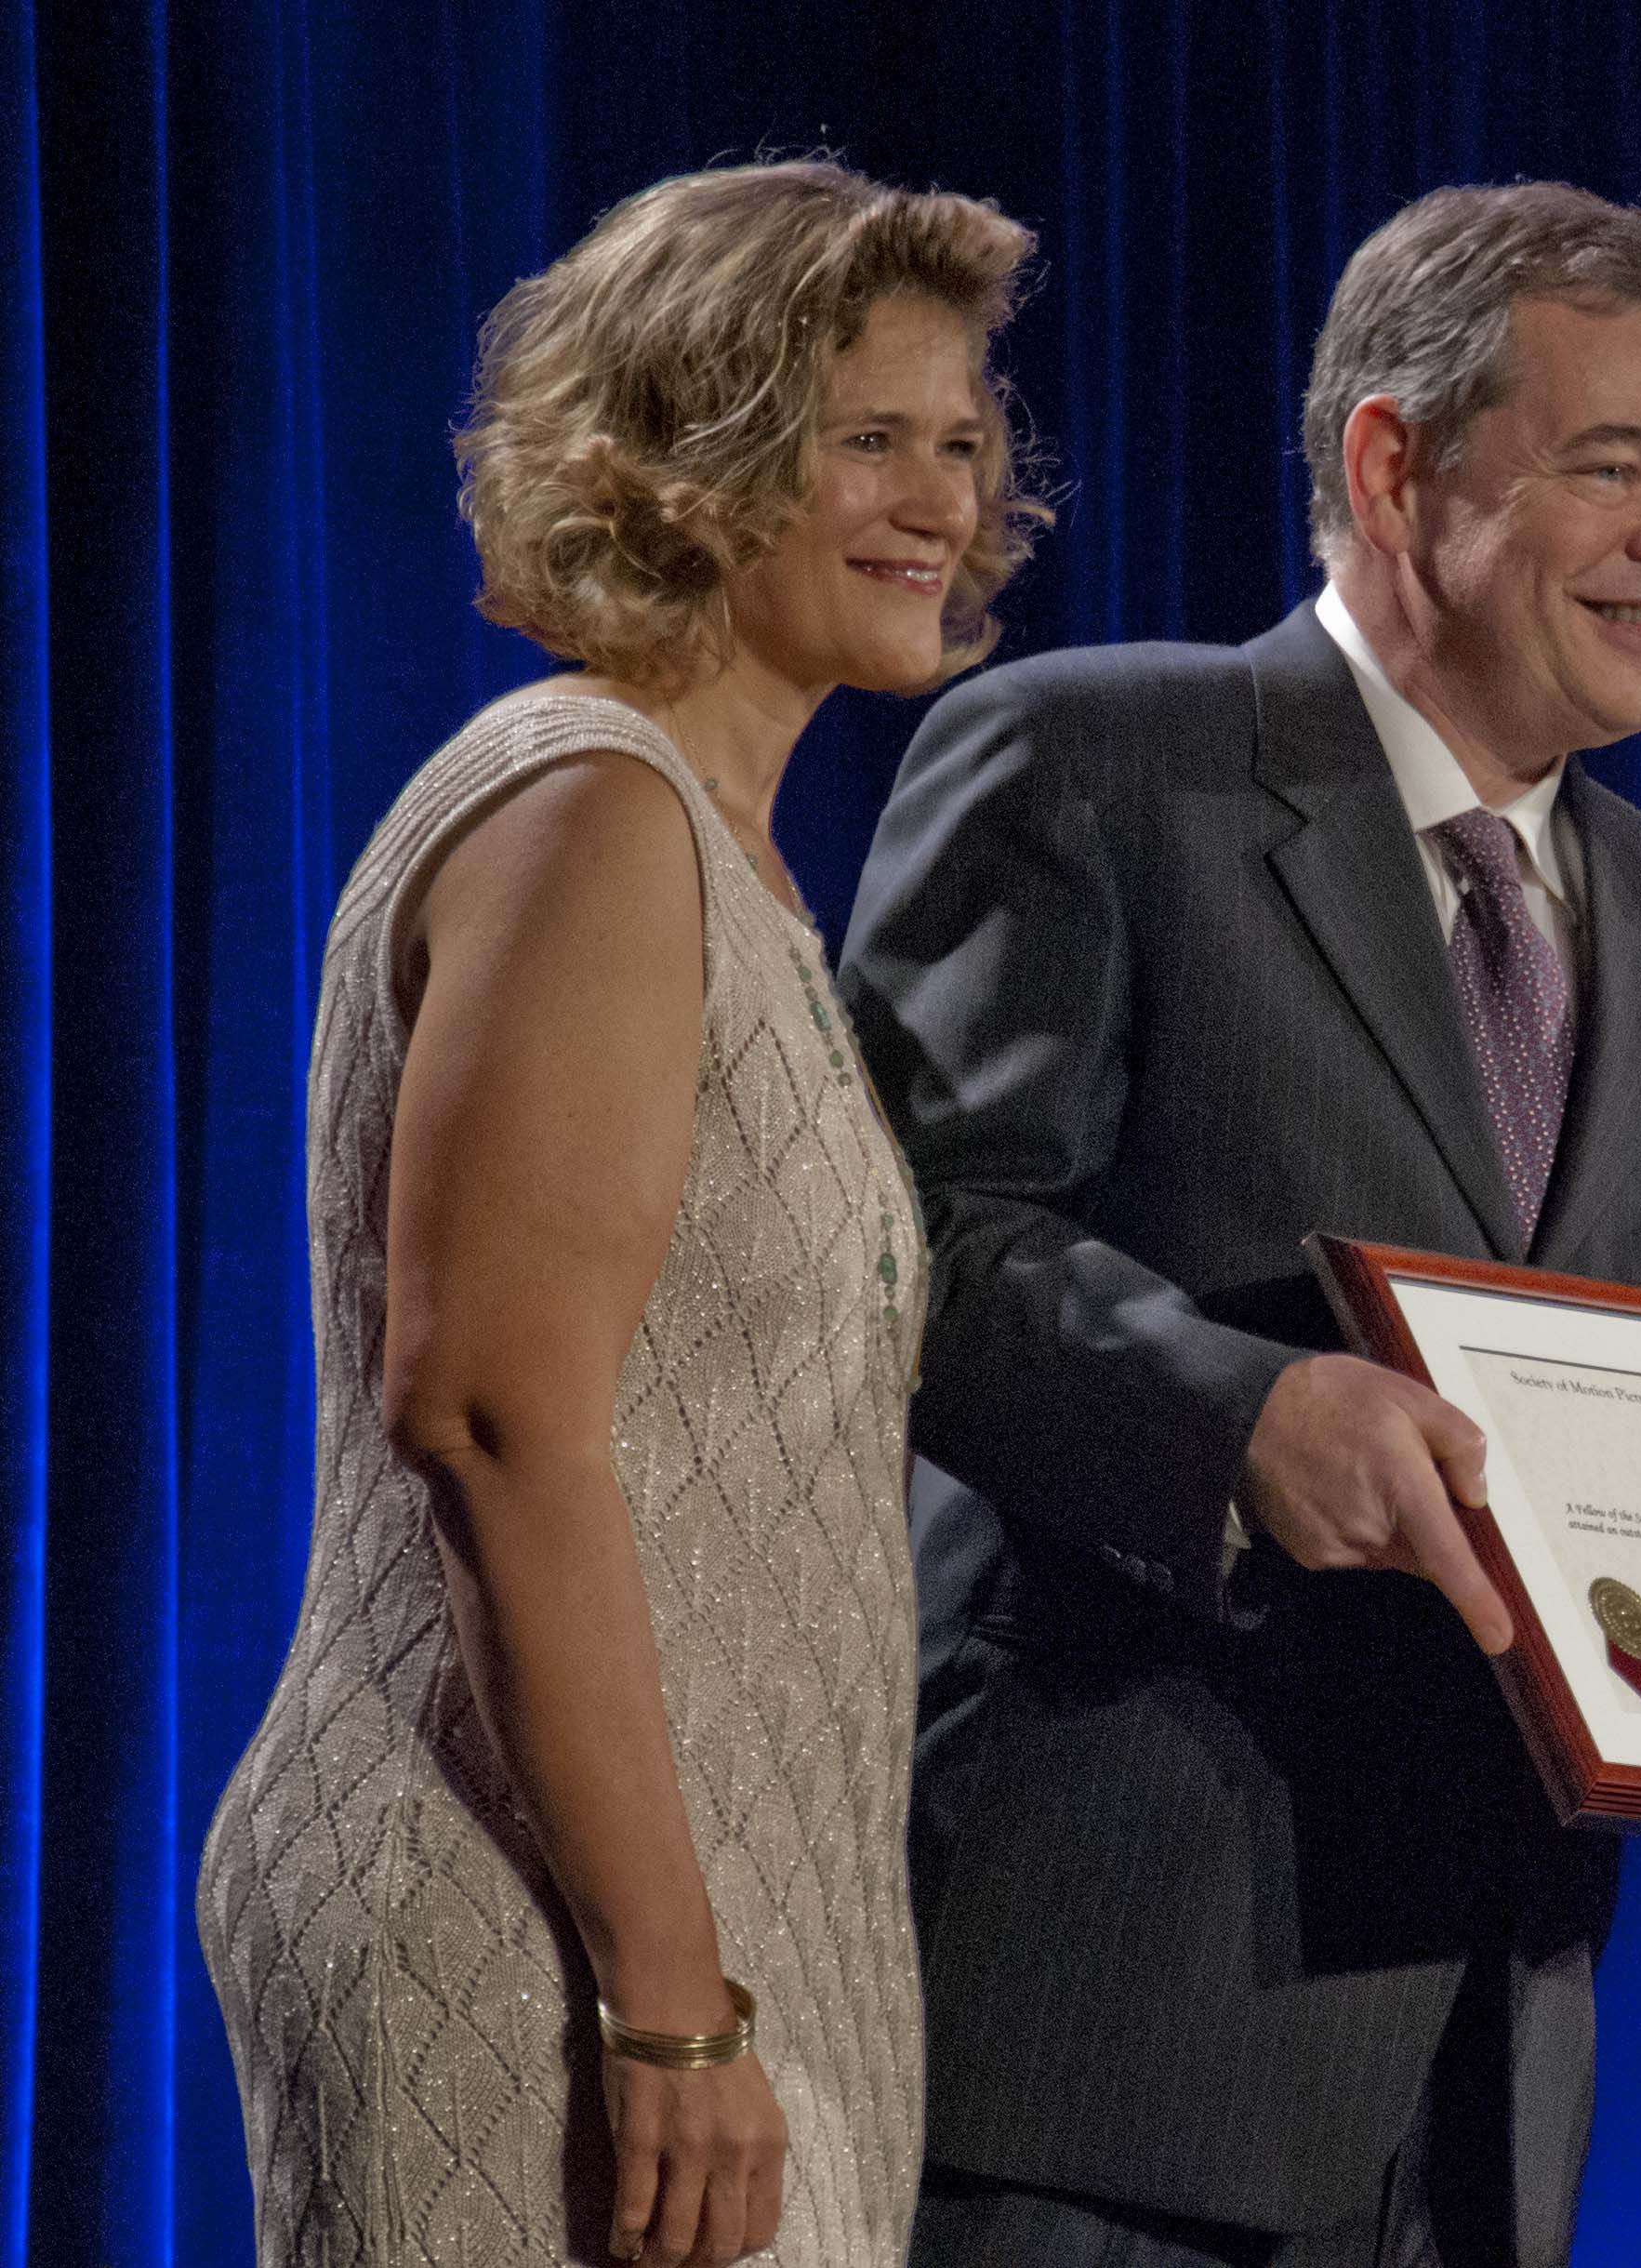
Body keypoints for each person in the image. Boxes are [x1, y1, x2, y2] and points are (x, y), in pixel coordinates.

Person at [839, 181, 1641, 2268]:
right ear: (1390, 462)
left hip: (1487, 2077)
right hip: (1105, 2027)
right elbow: (911, 1245)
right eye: (1610, 465)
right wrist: (1238, 1419)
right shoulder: (1092, 758)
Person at [195, 160, 1041, 2268]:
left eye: (959, 439)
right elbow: (487, 1409)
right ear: (692, 452)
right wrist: (670, 1998)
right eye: (866, 439)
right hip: (538, 1928)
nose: (940, 498)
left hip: (697, 1932)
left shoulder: (719, 853)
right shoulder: (589, 803)